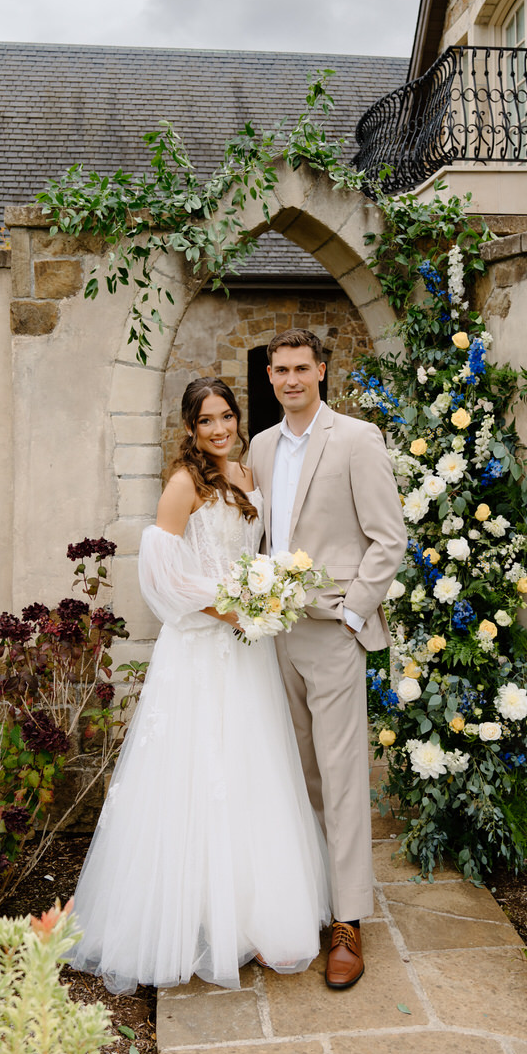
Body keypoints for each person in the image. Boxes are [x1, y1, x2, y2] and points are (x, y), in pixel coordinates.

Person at [68, 377, 330, 993]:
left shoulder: (247, 474)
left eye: (226, 416)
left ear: (238, 419)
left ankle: (257, 917)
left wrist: (264, 601)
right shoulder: (183, 483)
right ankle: (187, 920)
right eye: (206, 420)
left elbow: (260, 553)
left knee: (251, 771)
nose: (218, 428)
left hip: (249, 654)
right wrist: (234, 609)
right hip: (201, 649)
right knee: (195, 774)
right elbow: (164, 578)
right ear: (189, 428)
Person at [250, 330, 408, 990]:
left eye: (300, 368)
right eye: (279, 370)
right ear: (269, 376)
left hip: (331, 631)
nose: (290, 380)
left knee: (343, 778)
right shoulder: (258, 447)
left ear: (321, 370)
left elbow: (388, 537)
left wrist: (351, 613)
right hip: (272, 633)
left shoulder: (356, 439)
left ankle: (348, 921)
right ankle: (308, 899)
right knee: (295, 775)